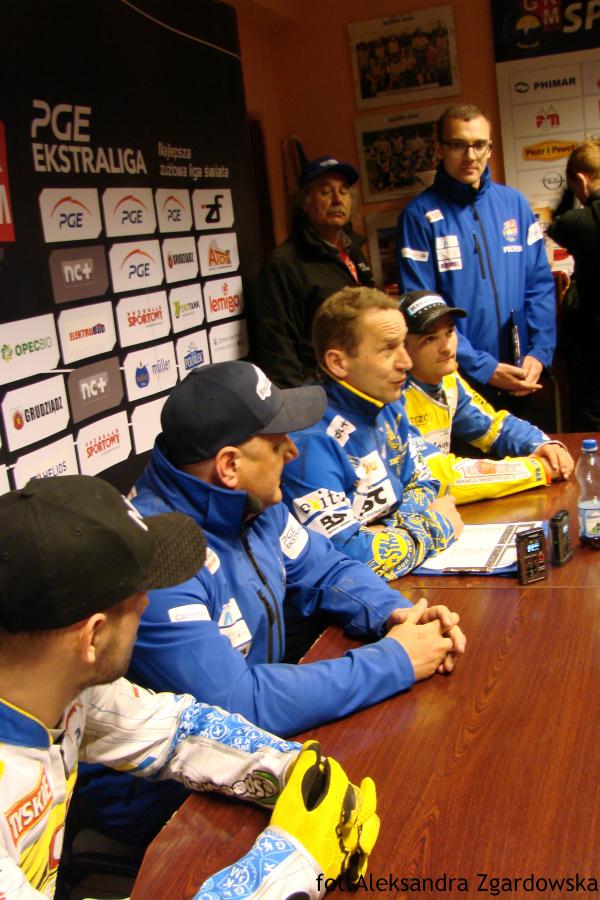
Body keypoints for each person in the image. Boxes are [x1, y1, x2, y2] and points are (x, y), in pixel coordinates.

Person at [81, 360, 464, 843]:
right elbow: (236, 704)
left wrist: (396, 614)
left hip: (252, 750)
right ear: (229, 465)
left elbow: (328, 569)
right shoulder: (162, 557)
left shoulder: (253, 504)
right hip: (164, 804)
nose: (293, 450)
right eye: (278, 440)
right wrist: (397, 660)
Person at [0, 475, 379, 899]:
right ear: (92, 637)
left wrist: (294, 773)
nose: (148, 603)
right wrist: (293, 861)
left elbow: (178, 730)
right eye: (138, 596)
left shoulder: (65, 689)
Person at [282, 286, 463, 580]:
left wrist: (391, 530)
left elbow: (424, 480)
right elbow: (350, 561)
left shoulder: (386, 400)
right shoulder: (309, 442)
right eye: (388, 349)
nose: (406, 362)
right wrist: (435, 526)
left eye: (403, 344)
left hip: (403, 580)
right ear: (338, 363)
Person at [396, 103, 556, 417]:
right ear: (439, 148)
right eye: (458, 145)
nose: (471, 156)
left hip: (523, 376)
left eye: (479, 145)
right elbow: (421, 310)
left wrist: (540, 352)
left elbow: (539, 286)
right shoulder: (418, 216)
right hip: (460, 381)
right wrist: (484, 368)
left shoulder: (514, 204)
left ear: (489, 147)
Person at [398, 291, 574, 503]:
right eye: (430, 339)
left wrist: (543, 445)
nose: (446, 347)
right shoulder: (393, 397)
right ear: (402, 347)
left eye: (450, 332)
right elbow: (438, 476)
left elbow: (492, 428)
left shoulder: (448, 380)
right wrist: (537, 469)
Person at [253, 155, 374, 387]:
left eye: (344, 191)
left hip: (359, 383)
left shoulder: (354, 251)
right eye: (326, 192)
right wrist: (299, 403)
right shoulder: (284, 264)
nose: (337, 200)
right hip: (320, 391)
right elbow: (279, 348)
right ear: (305, 203)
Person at [547, 140, 600, 431]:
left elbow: (555, 224)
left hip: (592, 339)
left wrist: (571, 193)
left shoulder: (580, 221)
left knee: (591, 413)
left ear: (581, 179)